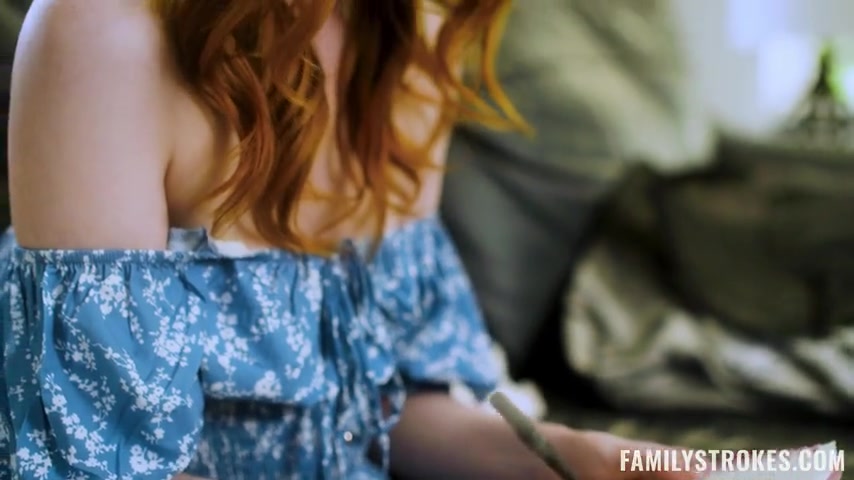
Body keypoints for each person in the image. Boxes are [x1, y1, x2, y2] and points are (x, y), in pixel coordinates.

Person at [0, 0, 697, 478]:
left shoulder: (411, 32)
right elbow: (103, 460)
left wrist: (573, 457)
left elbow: (389, 404)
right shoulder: (100, 34)